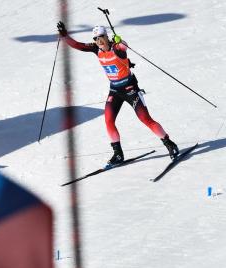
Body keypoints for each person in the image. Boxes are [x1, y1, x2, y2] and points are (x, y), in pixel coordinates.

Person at [56, 22, 179, 166]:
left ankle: (170, 144)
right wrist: (64, 36)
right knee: (108, 120)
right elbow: (78, 45)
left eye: (101, 37)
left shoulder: (116, 48)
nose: (98, 41)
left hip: (130, 89)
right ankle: (118, 154)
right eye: (95, 38)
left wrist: (120, 41)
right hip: (114, 90)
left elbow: (123, 47)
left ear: (107, 37)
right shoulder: (96, 49)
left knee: (145, 119)